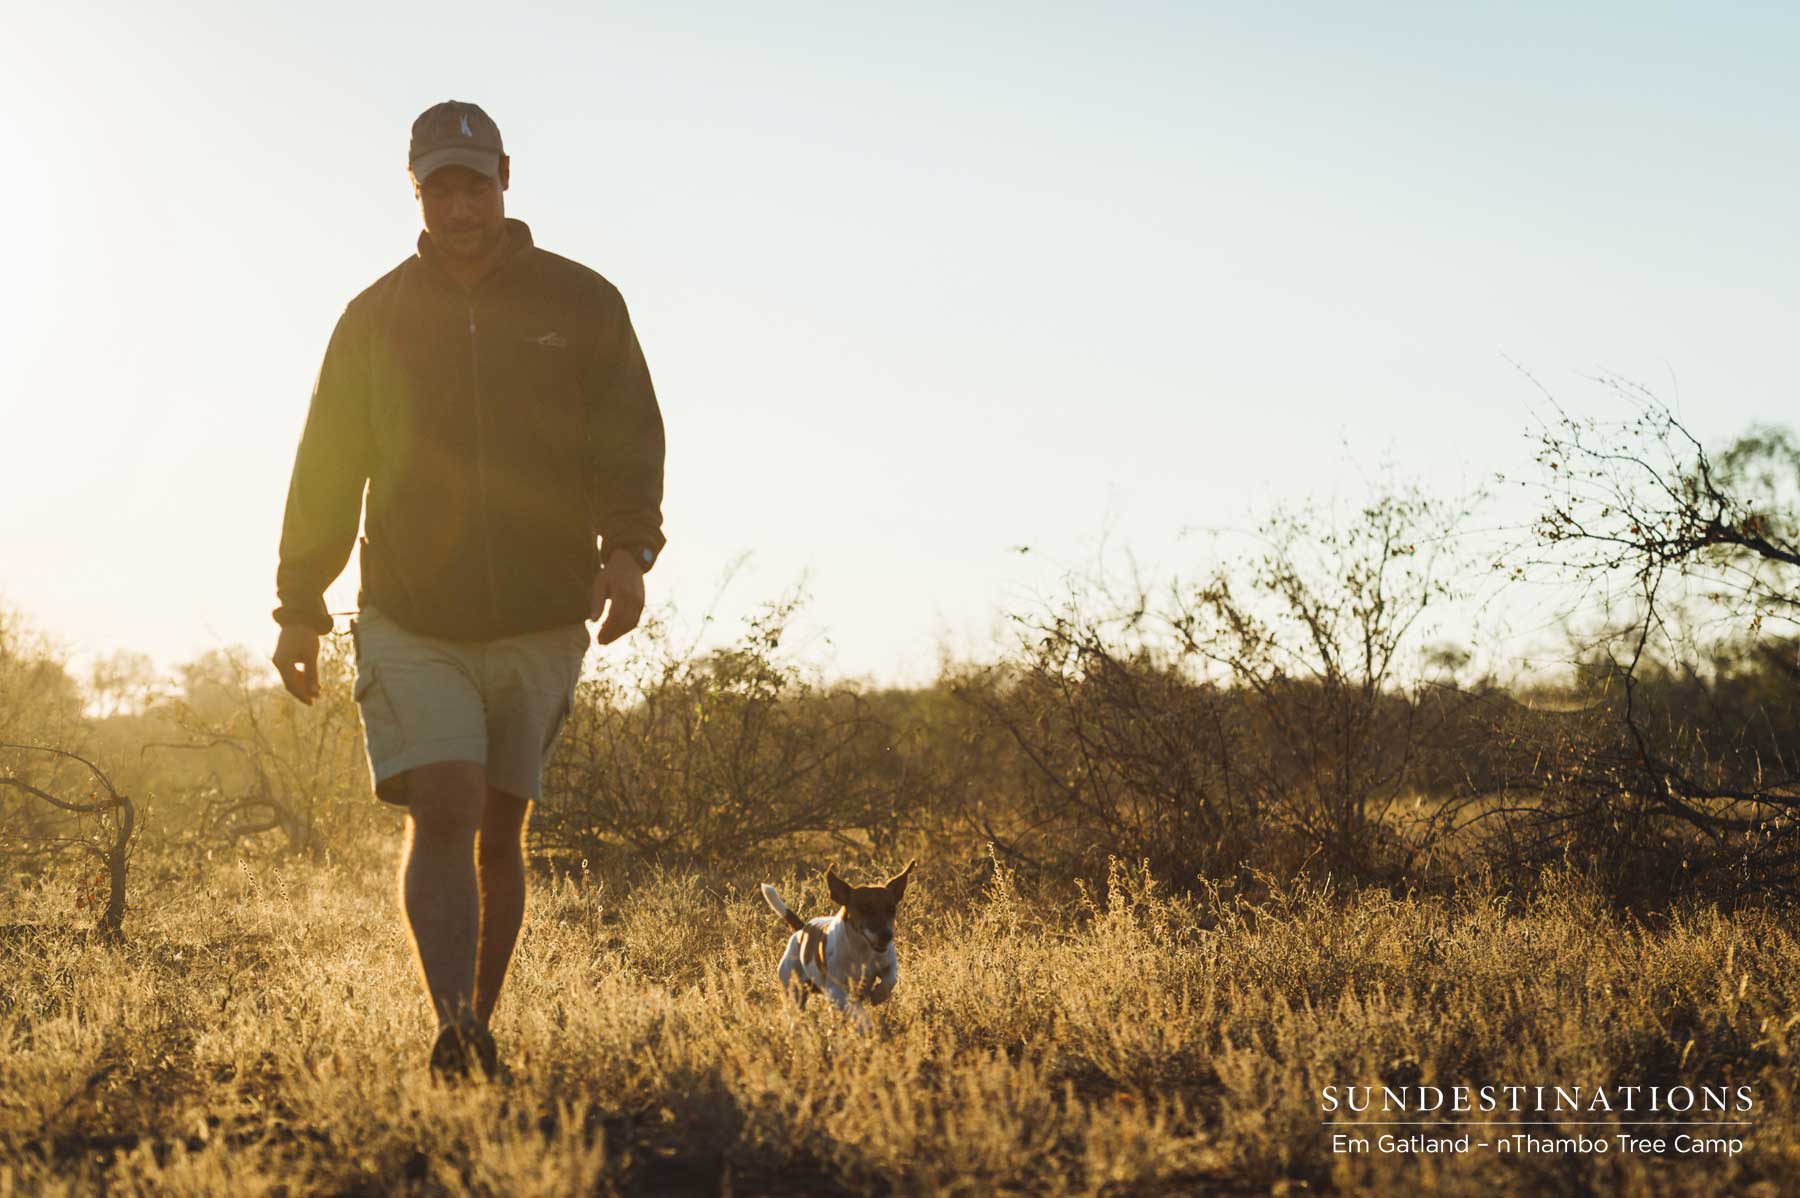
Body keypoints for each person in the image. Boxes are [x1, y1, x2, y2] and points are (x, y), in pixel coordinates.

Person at [269, 100, 666, 1078]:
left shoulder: (583, 303)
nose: (457, 205)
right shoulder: (375, 318)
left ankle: (476, 1026)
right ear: (417, 192)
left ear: (504, 179)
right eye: (438, 187)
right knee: (442, 803)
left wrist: (628, 552)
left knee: (499, 820)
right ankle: (452, 1023)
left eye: (472, 184)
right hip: (413, 609)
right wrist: (300, 605)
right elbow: (326, 467)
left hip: (541, 609)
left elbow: (627, 438)